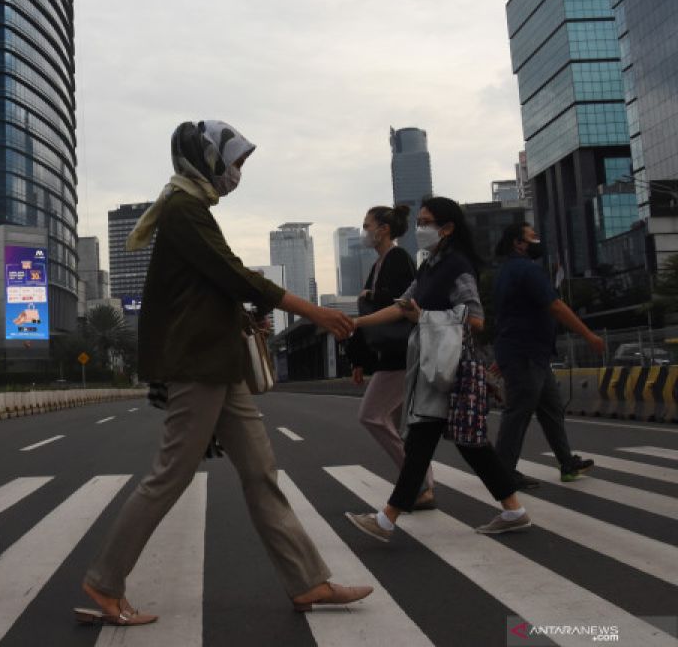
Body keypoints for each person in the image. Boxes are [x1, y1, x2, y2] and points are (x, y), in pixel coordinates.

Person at [75, 121, 372, 627]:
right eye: (233, 163)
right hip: (198, 362)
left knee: (260, 470)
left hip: (219, 360)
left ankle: (307, 582)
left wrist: (241, 317)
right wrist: (315, 313)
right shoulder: (183, 209)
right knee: (170, 475)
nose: (236, 174)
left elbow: (207, 289)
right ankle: (104, 584)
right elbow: (233, 274)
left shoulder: (189, 206)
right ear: (207, 161)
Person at [346, 197, 528, 543]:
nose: (421, 229)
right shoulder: (430, 265)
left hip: (456, 367)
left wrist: (424, 318)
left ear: (446, 228)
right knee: (451, 444)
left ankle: (387, 520)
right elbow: (402, 306)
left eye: (427, 222)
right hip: (435, 367)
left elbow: (475, 319)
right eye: (420, 222)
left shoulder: (458, 267)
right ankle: (513, 509)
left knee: (449, 443)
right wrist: (355, 323)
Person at [491, 222, 601, 488]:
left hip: (531, 354)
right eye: (532, 236)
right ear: (518, 243)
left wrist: (502, 354)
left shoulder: (506, 271)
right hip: (526, 354)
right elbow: (555, 306)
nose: (537, 240)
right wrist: (588, 335)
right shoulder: (527, 270)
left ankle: (567, 462)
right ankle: (503, 473)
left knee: (551, 409)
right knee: (518, 412)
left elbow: (508, 316)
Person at [344, 205, 436, 510]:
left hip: (403, 353)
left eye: (367, 225)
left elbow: (405, 304)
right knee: (397, 426)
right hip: (391, 353)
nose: (364, 231)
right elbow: (370, 313)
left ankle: (419, 483)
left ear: (383, 229)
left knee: (371, 415)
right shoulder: (379, 264)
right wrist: (358, 359)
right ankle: (421, 485)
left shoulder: (398, 260)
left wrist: (371, 297)